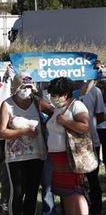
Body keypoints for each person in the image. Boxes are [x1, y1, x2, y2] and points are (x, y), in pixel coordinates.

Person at [0, 73, 47, 214]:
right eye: (24, 86)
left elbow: (55, 113)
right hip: (16, 156)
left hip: (37, 154)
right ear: (16, 87)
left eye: (30, 87)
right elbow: (1, 133)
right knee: (18, 192)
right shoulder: (7, 104)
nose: (27, 90)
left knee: (32, 192)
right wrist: (23, 132)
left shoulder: (37, 101)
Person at [46, 77, 90, 214]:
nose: (52, 97)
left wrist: (66, 122)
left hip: (71, 158)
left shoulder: (77, 106)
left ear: (65, 94)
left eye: (55, 94)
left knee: (76, 193)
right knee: (66, 194)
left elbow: (85, 127)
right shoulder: (58, 108)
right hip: (57, 160)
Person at [78, 75, 104, 215]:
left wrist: (87, 126)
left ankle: (96, 208)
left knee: (92, 178)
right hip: (68, 144)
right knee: (73, 180)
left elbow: (100, 116)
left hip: (91, 142)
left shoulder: (95, 91)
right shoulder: (63, 88)